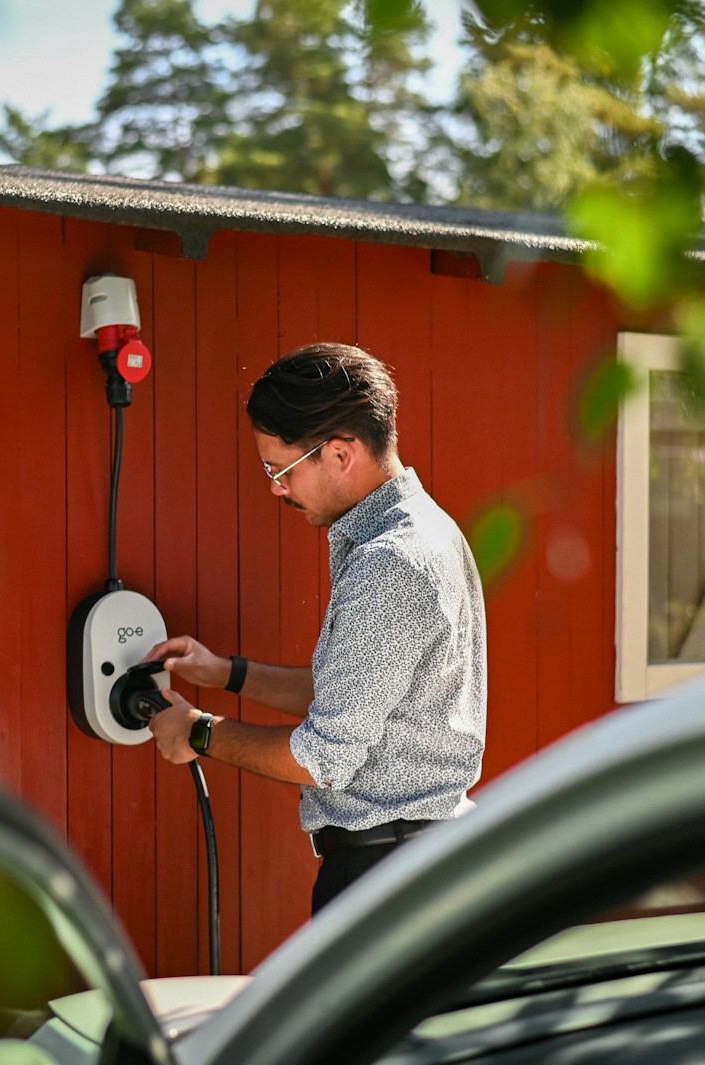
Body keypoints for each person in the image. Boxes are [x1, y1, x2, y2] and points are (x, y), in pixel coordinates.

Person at [146, 342, 487, 913]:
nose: (276, 488)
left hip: (387, 882)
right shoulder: (429, 528)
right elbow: (355, 700)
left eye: (280, 469)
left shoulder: (391, 562)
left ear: (341, 453)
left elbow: (324, 758)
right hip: (419, 866)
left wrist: (198, 732)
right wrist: (226, 673)